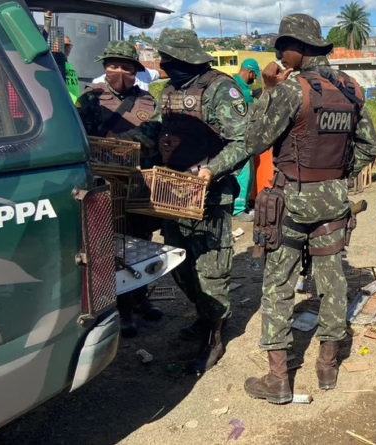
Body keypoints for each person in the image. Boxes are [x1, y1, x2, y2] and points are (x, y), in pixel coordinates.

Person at [200, 13, 376, 404]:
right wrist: (335, 175)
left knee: (279, 284)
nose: (279, 54)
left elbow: (253, 139)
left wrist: (266, 90)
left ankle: (278, 379)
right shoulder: (352, 89)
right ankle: (328, 365)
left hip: (291, 199)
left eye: (283, 47)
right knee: (332, 279)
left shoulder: (290, 89)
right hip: (333, 197)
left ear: (299, 49)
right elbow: (369, 147)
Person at [150, 28, 247, 373]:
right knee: (178, 264)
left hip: (209, 194)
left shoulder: (221, 88)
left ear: (186, 58)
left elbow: (244, 140)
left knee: (210, 268)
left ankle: (215, 333)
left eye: (169, 59)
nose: (163, 64)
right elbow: (164, 132)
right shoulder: (169, 90)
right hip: (173, 192)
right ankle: (204, 315)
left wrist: (212, 170)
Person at [75, 40, 163, 337]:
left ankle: (141, 299)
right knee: (111, 246)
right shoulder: (90, 99)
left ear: (136, 70)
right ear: (104, 67)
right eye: (113, 65)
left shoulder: (148, 101)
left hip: (137, 186)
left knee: (141, 241)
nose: (119, 71)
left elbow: (155, 136)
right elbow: (79, 137)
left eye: (126, 67)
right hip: (104, 187)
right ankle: (119, 309)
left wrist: (124, 141)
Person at [231, 58, 261, 221]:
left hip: (246, 137)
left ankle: (243, 205)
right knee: (243, 173)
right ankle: (238, 209)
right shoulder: (234, 88)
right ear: (249, 72)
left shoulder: (242, 87)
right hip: (239, 138)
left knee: (247, 172)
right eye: (254, 76)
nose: (254, 79)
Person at [93, 66, 160, 92]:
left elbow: (158, 73)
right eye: (115, 67)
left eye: (126, 67)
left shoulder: (145, 73)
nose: (120, 71)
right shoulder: (98, 83)